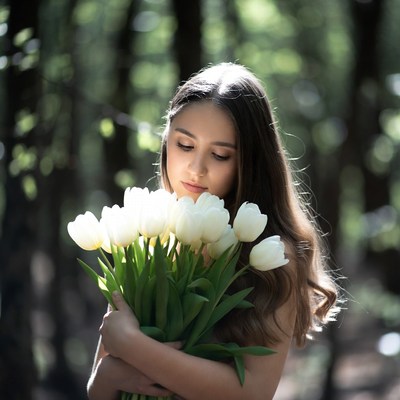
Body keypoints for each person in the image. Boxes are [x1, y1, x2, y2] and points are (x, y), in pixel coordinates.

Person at [87, 62, 341, 400]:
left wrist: (134, 348)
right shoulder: (147, 235)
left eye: (220, 155)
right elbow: (97, 388)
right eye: (185, 145)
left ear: (250, 164)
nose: (196, 169)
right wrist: (105, 375)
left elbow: (253, 392)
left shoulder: (271, 253)